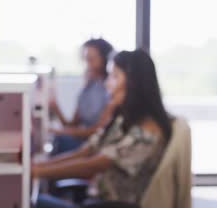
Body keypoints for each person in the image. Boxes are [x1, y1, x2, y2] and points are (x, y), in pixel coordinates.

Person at [33, 50, 173, 208]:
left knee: (34, 203)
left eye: (114, 76)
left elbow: (94, 165)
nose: (107, 84)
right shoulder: (123, 119)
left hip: (111, 204)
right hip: (96, 199)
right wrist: (40, 166)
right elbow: (87, 150)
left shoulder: (148, 130)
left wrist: (37, 172)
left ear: (134, 83)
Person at [50, 38, 114, 154]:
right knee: (57, 140)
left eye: (91, 59)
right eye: (85, 59)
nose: (87, 64)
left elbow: (98, 130)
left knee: (61, 141)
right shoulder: (87, 88)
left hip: (96, 143)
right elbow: (72, 124)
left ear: (105, 60)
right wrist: (56, 108)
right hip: (83, 140)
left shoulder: (110, 89)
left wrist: (65, 132)